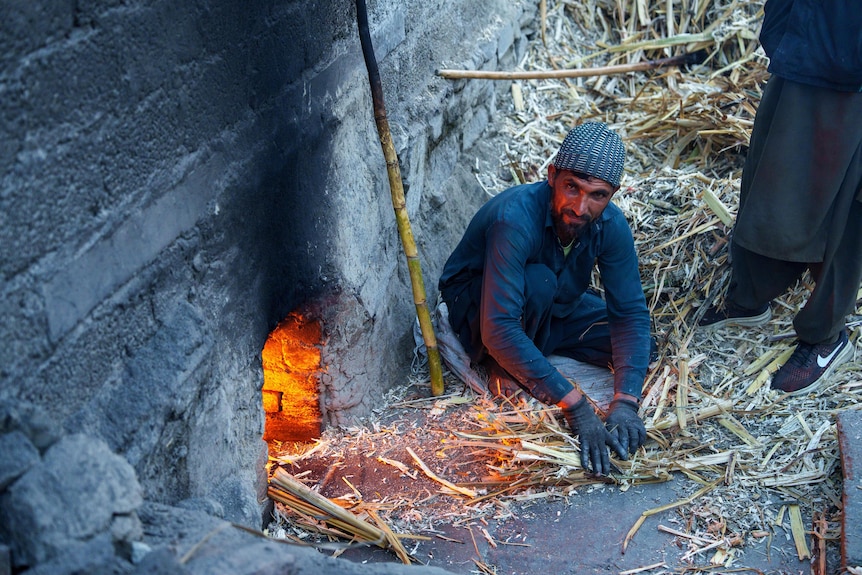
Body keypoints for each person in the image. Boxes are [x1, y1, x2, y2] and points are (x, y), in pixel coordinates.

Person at [438, 122, 651, 475]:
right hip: (479, 311)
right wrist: (576, 406)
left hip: (552, 305)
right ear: (552, 175)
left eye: (597, 195)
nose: (581, 207)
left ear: (612, 194)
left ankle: (529, 355)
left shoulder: (610, 225)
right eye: (572, 187)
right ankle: (500, 362)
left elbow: (629, 313)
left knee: (637, 345)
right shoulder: (515, 219)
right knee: (539, 282)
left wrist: (626, 402)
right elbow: (499, 325)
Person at [698, 0, 862, 396]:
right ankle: (752, 295)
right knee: (770, 185)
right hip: (803, 54)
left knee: (844, 209)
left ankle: (825, 335)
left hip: (855, 75)